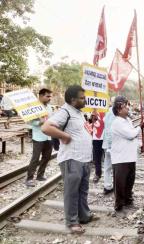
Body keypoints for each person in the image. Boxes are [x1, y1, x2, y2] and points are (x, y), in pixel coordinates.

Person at [41, 85, 97, 234]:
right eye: (82, 98)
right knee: (72, 192)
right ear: (73, 100)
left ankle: (84, 216)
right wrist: (64, 136)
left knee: (83, 190)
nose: (85, 100)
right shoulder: (65, 111)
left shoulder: (78, 112)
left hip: (83, 158)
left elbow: (80, 130)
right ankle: (72, 222)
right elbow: (46, 127)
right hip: (72, 158)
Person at [111, 96, 144, 212]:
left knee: (130, 180)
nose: (128, 109)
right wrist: (140, 128)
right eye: (126, 107)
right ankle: (119, 203)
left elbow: (133, 137)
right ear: (119, 109)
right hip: (121, 157)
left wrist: (140, 144)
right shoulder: (117, 123)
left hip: (130, 156)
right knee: (120, 182)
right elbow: (130, 134)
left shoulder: (128, 120)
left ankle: (128, 198)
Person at [25, 88, 53, 187]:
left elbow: (51, 119)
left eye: (50, 96)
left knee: (47, 157)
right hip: (38, 136)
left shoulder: (49, 107)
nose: (50, 98)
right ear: (41, 96)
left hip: (48, 136)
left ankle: (40, 175)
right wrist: (39, 122)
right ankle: (29, 178)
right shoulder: (34, 107)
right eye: (47, 96)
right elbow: (29, 122)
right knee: (35, 158)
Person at [102, 107, 115, 194]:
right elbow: (110, 131)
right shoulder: (113, 113)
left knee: (107, 166)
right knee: (116, 166)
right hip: (112, 144)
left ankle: (107, 185)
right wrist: (110, 146)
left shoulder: (108, 112)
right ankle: (111, 185)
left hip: (106, 143)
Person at [91, 111, 105, 183]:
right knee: (97, 157)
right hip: (96, 138)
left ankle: (109, 175)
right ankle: (97, 173)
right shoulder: (94, 111)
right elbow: (92, 124)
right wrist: (94, 118)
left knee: (108, 157)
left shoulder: (108, 111)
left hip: (106, 137)